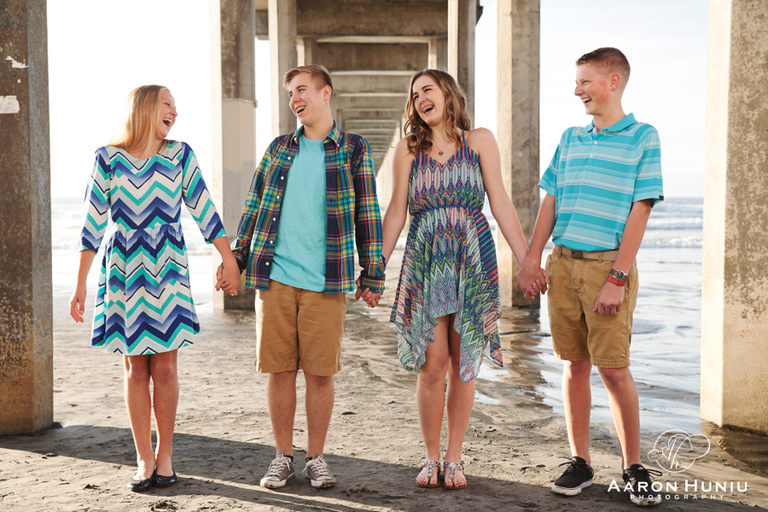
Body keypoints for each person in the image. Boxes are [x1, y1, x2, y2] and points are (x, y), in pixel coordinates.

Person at [374, 69, 545, 489]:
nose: (420, 99)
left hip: (472, 257)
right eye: (414, 95)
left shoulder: (480, 141)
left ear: (448, 93)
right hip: (426, 259)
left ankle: (455, 458)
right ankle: (431, 457)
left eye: (427, 90)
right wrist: (375, 267)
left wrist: (526, 261)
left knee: (465, 362)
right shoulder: (408, 150)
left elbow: (501, 202)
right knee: (433, 365)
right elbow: (397, 211)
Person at [69, 85, 241, 492]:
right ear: (145, 107)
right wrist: (81, 283)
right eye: (168, 104)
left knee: (164, 366)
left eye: (176, 106)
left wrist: (227, 258)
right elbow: (92, 222)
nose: (175, 112)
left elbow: (203, 207)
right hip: (125, 265)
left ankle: (165, 457)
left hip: (167, 265)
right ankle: (143, 460)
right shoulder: (107, 159)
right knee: (134, 369)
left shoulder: (180, 155)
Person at [224, 64, 384, 490]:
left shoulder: (353, 148)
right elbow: (254, 208)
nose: (295, 99)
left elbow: (368, 212)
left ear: (325, 92)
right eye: (290, 93)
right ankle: (282, 457)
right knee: (279, 371)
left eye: (301, 90)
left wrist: (373, 274)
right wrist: (236, 261)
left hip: (326, 281)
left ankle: (315, 458)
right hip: (274, 278)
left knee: (319, 374)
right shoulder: (278, 148)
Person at [517, 48, 664, 507]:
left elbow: (640, 210)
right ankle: (579, 460)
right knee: (573, 364)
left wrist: (617, 277)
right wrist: (531, 259)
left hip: (607, 266)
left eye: (585, 81)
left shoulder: (643, 136)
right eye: (577, 82)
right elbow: (550, 202)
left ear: (613, 80)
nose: (576, 90)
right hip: (562, 264)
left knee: (614, 368)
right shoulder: (570, 138)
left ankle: (633, 467)